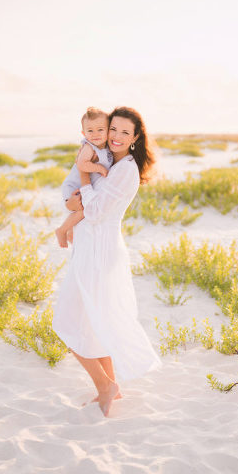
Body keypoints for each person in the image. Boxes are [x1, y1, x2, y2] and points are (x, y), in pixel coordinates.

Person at [52, 106, 162, 417]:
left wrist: (84, 174)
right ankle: (112, 386)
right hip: (90, 249)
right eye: (113, 129)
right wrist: (70, 200)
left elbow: (97, 210)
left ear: (135, 138)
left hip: (100, 253)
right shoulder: (108, 159)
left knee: (67, 322)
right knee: (93, 321)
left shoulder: (126, 169)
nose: (115, 136)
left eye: (124, 132)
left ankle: (105, 387)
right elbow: (77, 198)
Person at [55, 107, 114, 248]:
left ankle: (70, 231)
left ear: (108, 130)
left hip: (81, 187)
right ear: (83, 133)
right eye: (90, 131)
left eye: (100, 129)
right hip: (73, 186)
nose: (95, 134)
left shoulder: (105, 148)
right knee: (82, 210)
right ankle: (62, 230)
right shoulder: (89, 147)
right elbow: (81, 163)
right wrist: (98, 168)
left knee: (80, 211)